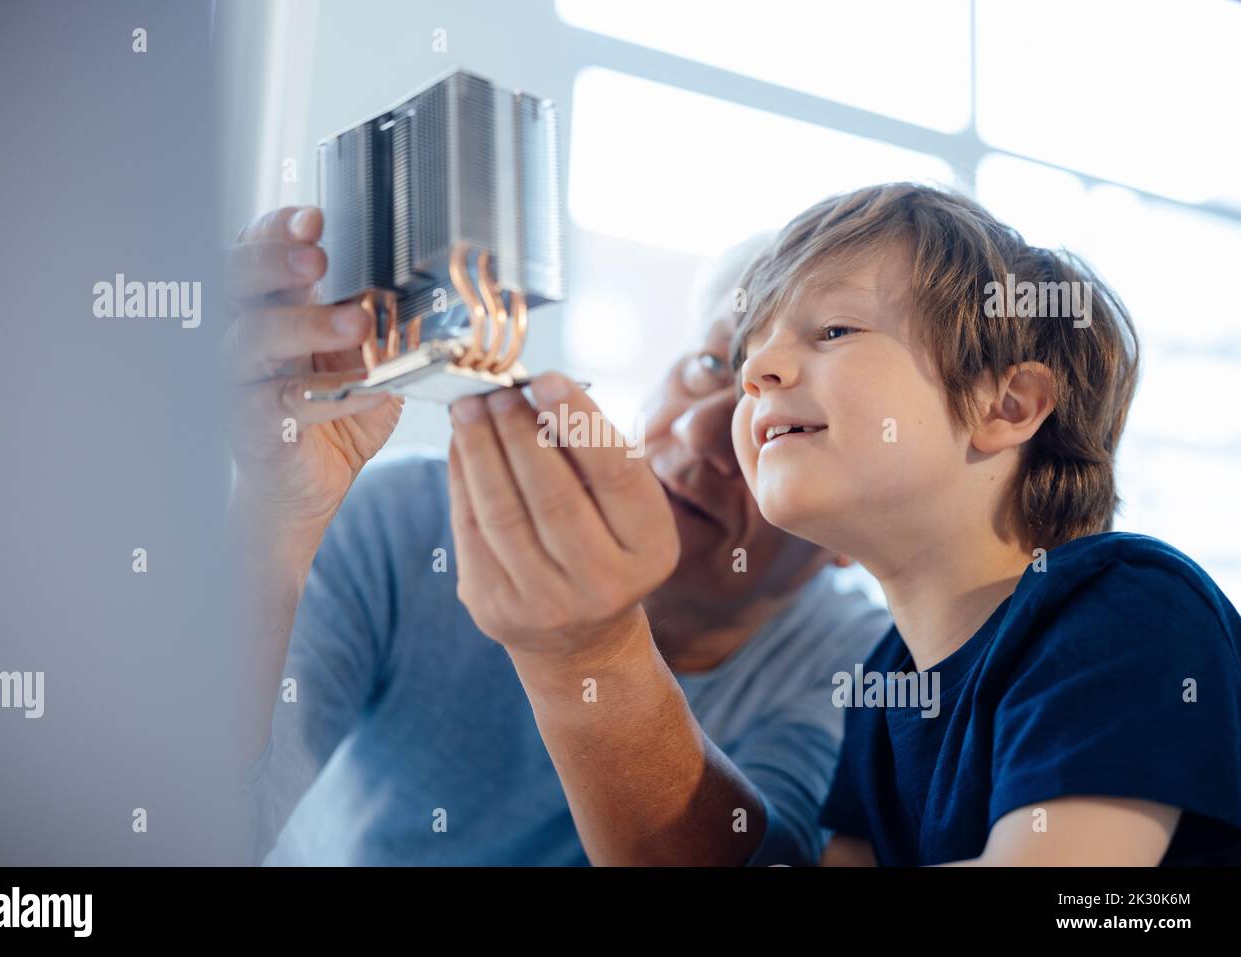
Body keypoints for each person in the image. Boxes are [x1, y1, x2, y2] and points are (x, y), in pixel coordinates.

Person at [450, 182, 1241, 865]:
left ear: (1008, 404)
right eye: (747, 353)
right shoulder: (885, 680)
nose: (756, 374)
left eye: (832, 331)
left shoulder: (1128, 606)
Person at [222, 206, 889, 865]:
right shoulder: (407, 522)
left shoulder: (865, 667)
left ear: (853, 537)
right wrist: (278, 515)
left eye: (789, 425)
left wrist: (593, 657)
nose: (699, 435)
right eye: (712, 366)